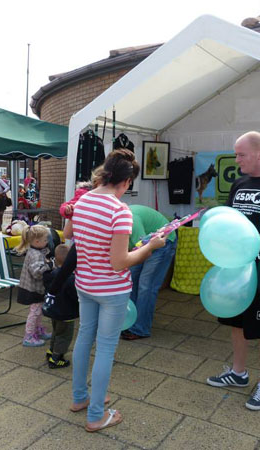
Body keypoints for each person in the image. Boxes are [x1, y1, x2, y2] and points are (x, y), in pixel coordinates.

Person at [66, 149, 166, 432]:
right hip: (111, 289)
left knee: (85, 338)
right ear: (127, 181)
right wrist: (150, 247)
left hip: (84, 284)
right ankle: (97, 415)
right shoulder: (119, 210)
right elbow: (120, 262)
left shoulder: (83, 199)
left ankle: (80, 398)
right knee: (106, 348)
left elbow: (70, 236)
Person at [206, 131, 260, 411]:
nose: (236, 159)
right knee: (236, 324)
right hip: (235, 268)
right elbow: (229, 220)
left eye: (241, 154)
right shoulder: (238, 183)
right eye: (236, 154)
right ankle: (239, 374)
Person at [120, 205, 177, 340]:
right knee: (131, 281)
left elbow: (144, 250)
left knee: (146, 285)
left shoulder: (131, 222)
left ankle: (140, 328)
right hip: (144, 242)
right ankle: (130, 321)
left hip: (163, 242)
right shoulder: (114, 223)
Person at [15, 225, 53, 347]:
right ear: (37, 242)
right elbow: (37, 273)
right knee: (35, 312)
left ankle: (38, 330)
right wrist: (49, 266)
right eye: (45, 240)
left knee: (38, 310)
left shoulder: (36, 251)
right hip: (33, 288)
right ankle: (29, 336)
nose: (47, 242)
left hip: (35, 288)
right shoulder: (35, 254)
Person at [43, 244, 79, 369]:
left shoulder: (51, 274)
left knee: (56, 332)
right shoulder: (71, 279)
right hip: (66, 313)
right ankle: (57, 358)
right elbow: (75, 297)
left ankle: (51, 350)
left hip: (54, 311)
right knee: (64, 336)